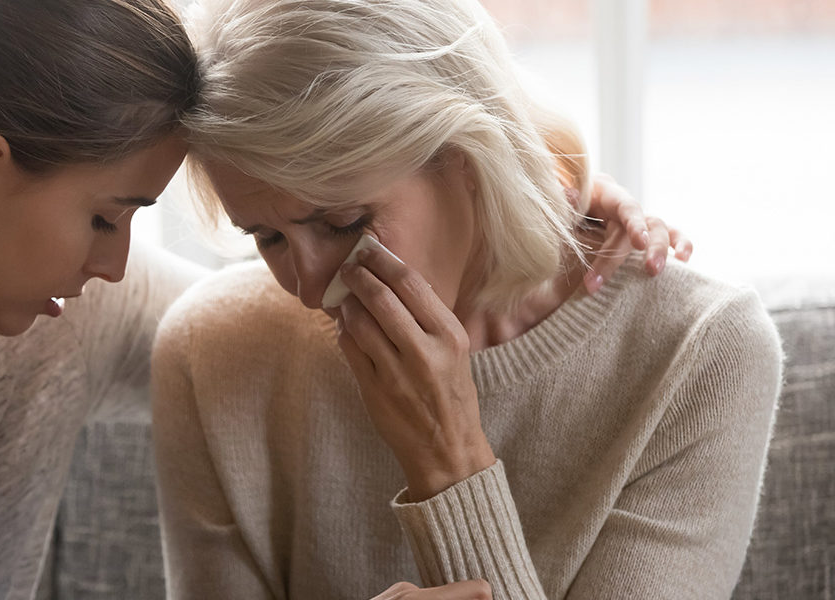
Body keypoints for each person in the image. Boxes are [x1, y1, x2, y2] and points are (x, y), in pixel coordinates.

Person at [0, 1, 683, 599]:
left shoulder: (66, 304)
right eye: (108, 216)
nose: (116, 265)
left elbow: (269, 326)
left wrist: (533, 191)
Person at [151, 0, 780, 598]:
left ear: (466, 156)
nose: (312, 290)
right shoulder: (209, 354)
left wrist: (450, 465)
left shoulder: (703, 354)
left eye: (343, 222)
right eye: (266, 237)